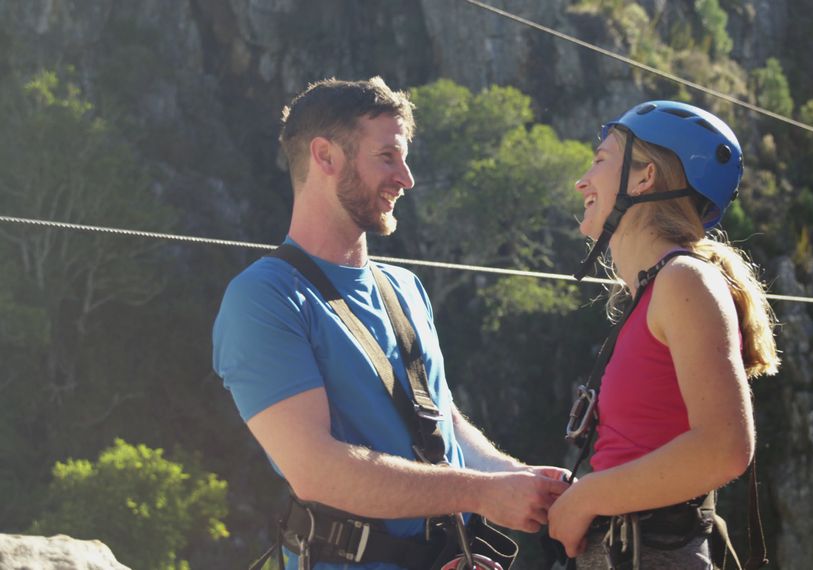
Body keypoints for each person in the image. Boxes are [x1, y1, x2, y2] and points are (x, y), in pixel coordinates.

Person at [212, 77, 568, 570]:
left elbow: (443, 423)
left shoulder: (405, 288)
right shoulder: (264, 299)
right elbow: (317, 471)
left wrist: (520, 481)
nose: (407, 178)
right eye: (387, 157)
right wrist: (483, 494)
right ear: (326, 157)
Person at [547, 101, 780, 568]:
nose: (582, 181)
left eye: (600, 161)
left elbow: (725, 448)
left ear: (644, 178)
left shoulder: (683, 281)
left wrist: (587, 497)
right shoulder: (656, 290)